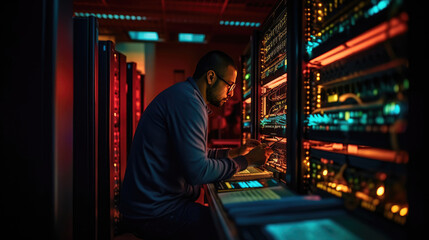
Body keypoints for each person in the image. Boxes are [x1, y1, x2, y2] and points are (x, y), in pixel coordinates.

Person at [119, 50, 273, 240]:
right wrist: (246, 161)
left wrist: (235, 152)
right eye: (229, 86)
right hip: (155, 214)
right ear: (210, 77)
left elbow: (195, 153)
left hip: (151, 207)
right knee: (234, 228)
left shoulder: (185, 95)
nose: (231, 94)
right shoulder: (189, 103)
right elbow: (197, 171)